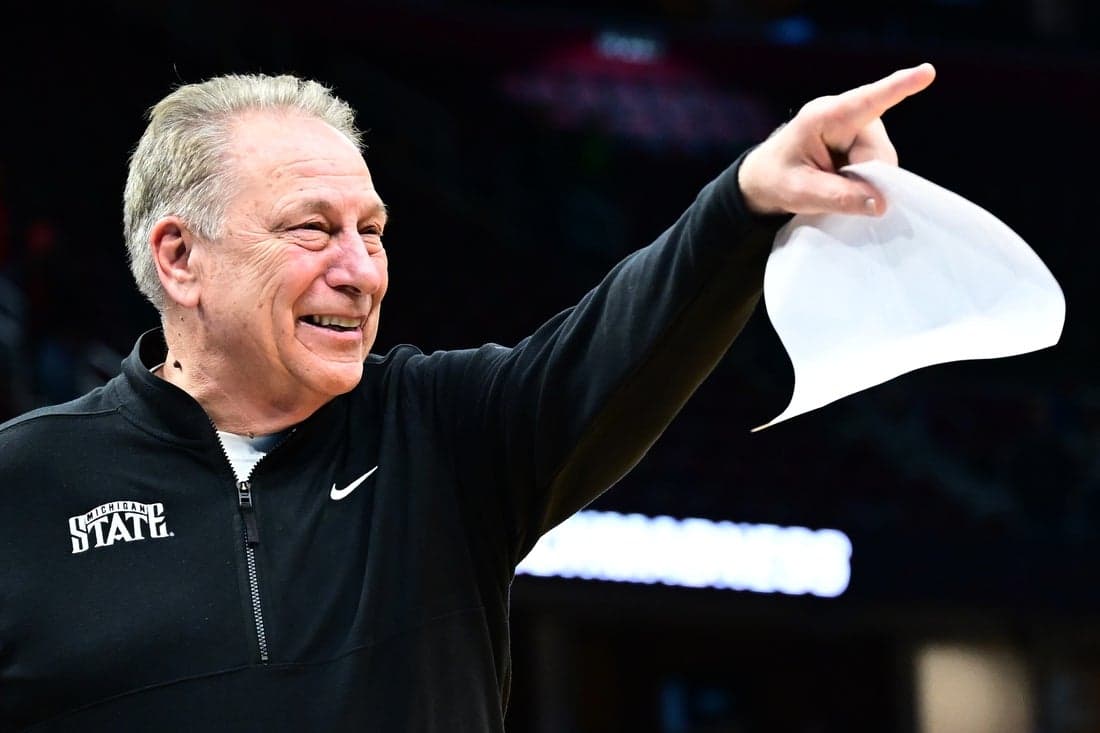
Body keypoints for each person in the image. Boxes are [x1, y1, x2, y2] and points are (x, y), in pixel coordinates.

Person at [0, 63, 935, 731]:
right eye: (313, 230)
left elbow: (615, 343)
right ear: (179, 257)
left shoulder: (442, 435)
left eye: (374, 230)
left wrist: (748, 200)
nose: (361, 270)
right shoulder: (26, 482)